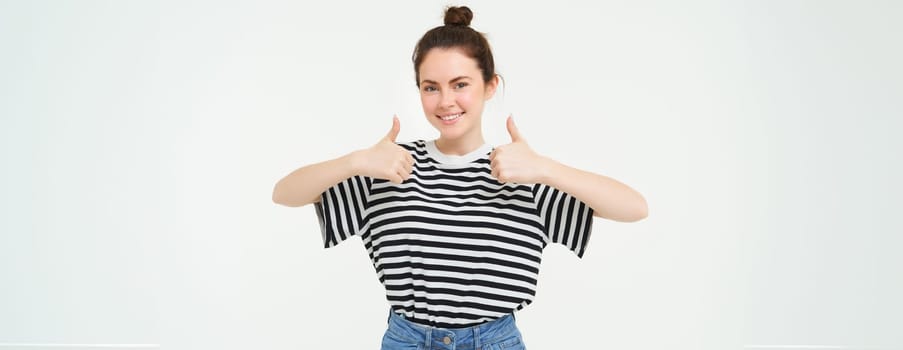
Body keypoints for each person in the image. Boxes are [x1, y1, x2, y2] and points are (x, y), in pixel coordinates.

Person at [272, 5, 647, 349]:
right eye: (430, 87)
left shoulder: (520, 171)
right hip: (406, 339)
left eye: (460, 84)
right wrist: (355, 161)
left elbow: (635, 207)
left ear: (490, 86)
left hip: (494, 340)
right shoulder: (390, 166)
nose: (445, 101)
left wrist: (545, 169)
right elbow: (284, 193)